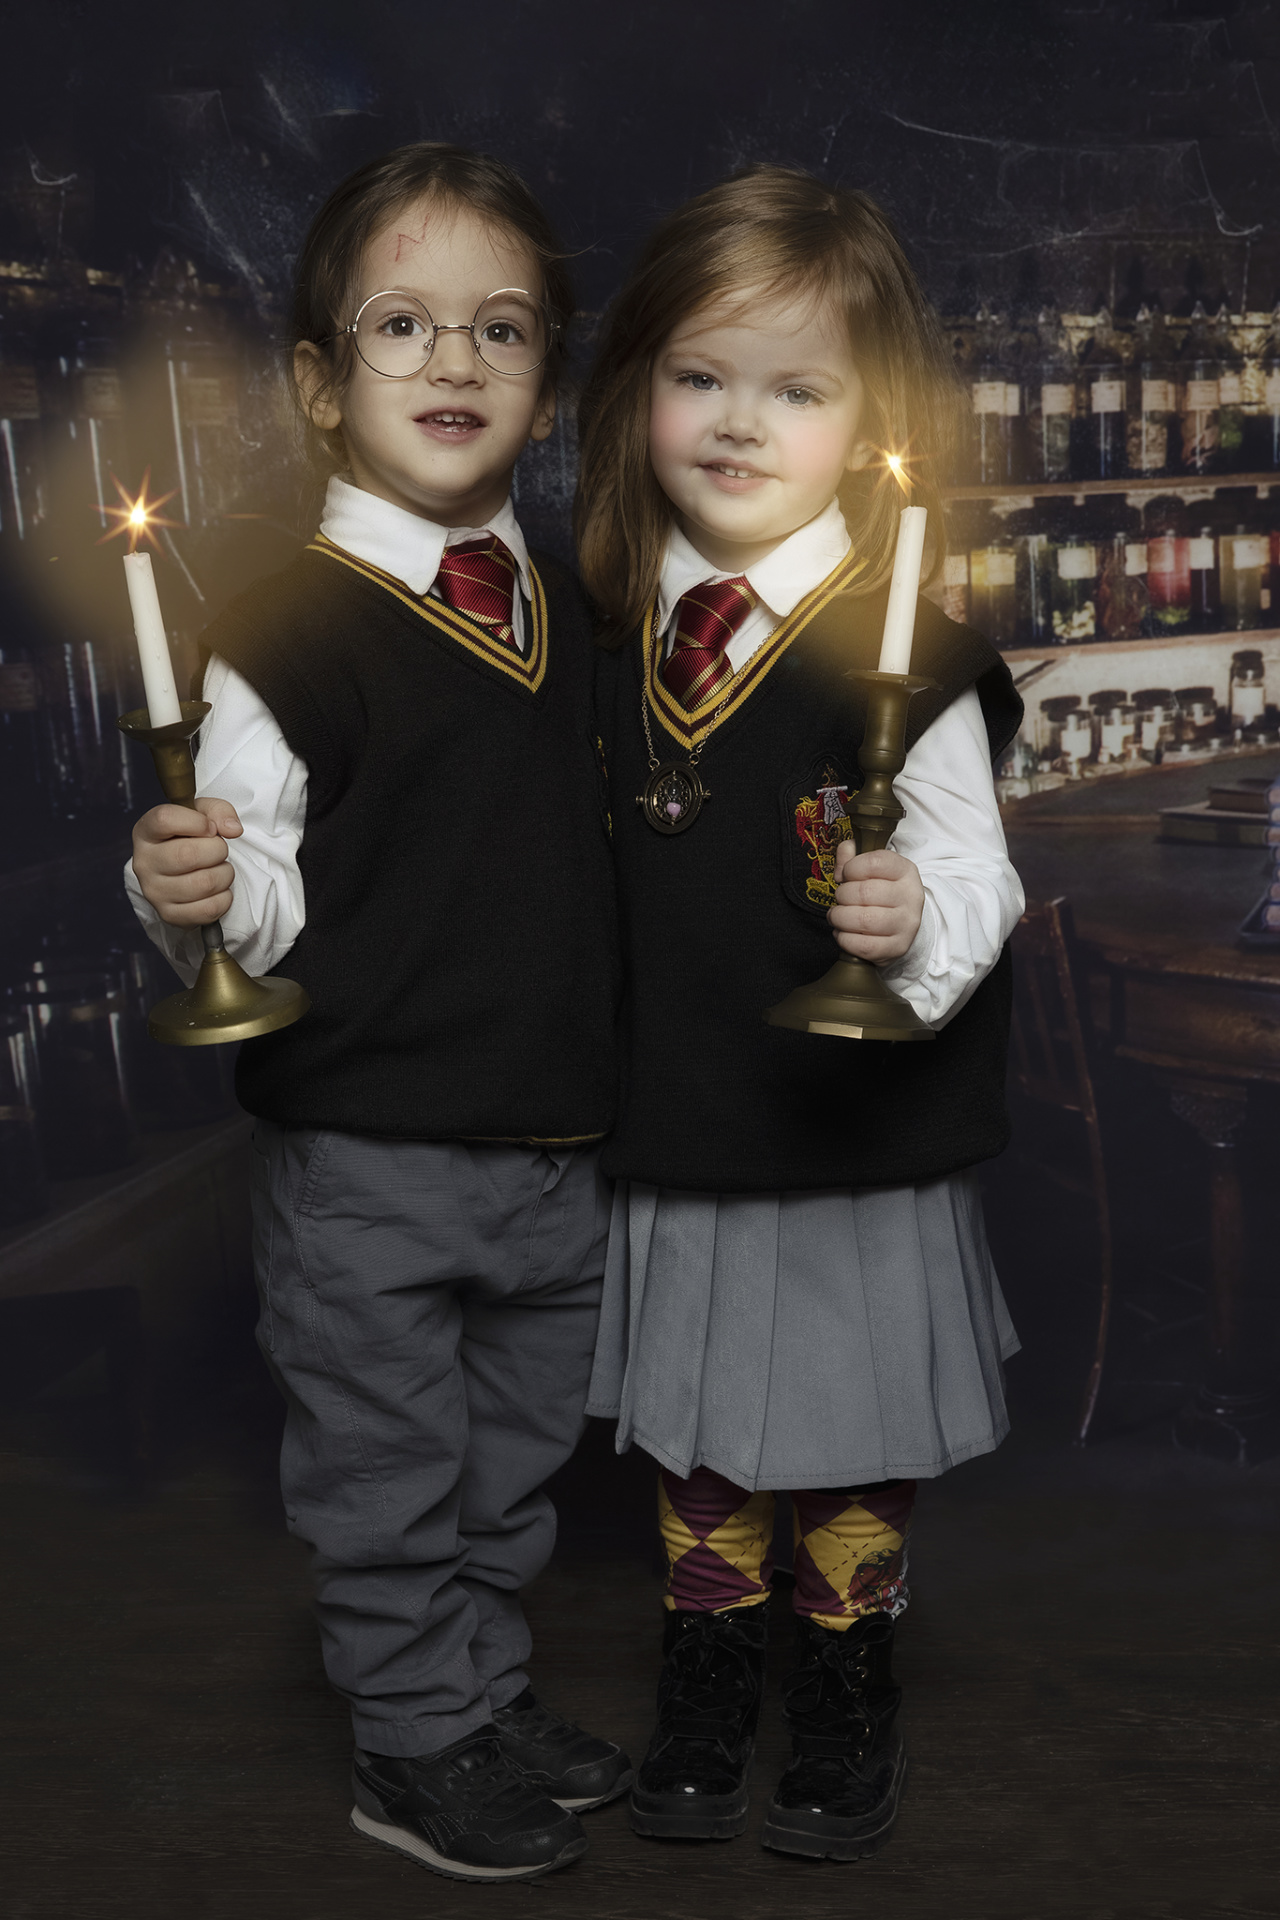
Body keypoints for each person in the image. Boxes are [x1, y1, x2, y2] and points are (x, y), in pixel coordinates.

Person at [126, 142, 631, 1885]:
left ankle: (476, 1698)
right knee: (389, 1477)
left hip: (559, 1148)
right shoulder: (284, 630)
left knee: (509, 1470)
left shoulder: (573, 607)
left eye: (499, 331)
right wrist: (192, 887)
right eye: (402, 327)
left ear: (549, 385)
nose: (454, 365)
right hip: (367, 1160)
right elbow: (258, 881)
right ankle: (409, 1748)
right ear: (320, 387)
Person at [575, 165, 1025, 1863]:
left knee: (845, 1435)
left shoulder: (915, 657)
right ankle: (707, 1665)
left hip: (859, 1137)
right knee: (699, 1431)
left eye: (799, 388)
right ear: (636, 393)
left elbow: (981, 879)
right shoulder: (606, 644)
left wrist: (916, 928)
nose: (742, 424)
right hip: (686, 1114)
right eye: (703, 376)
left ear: (867, 422)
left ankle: (844, 1677)